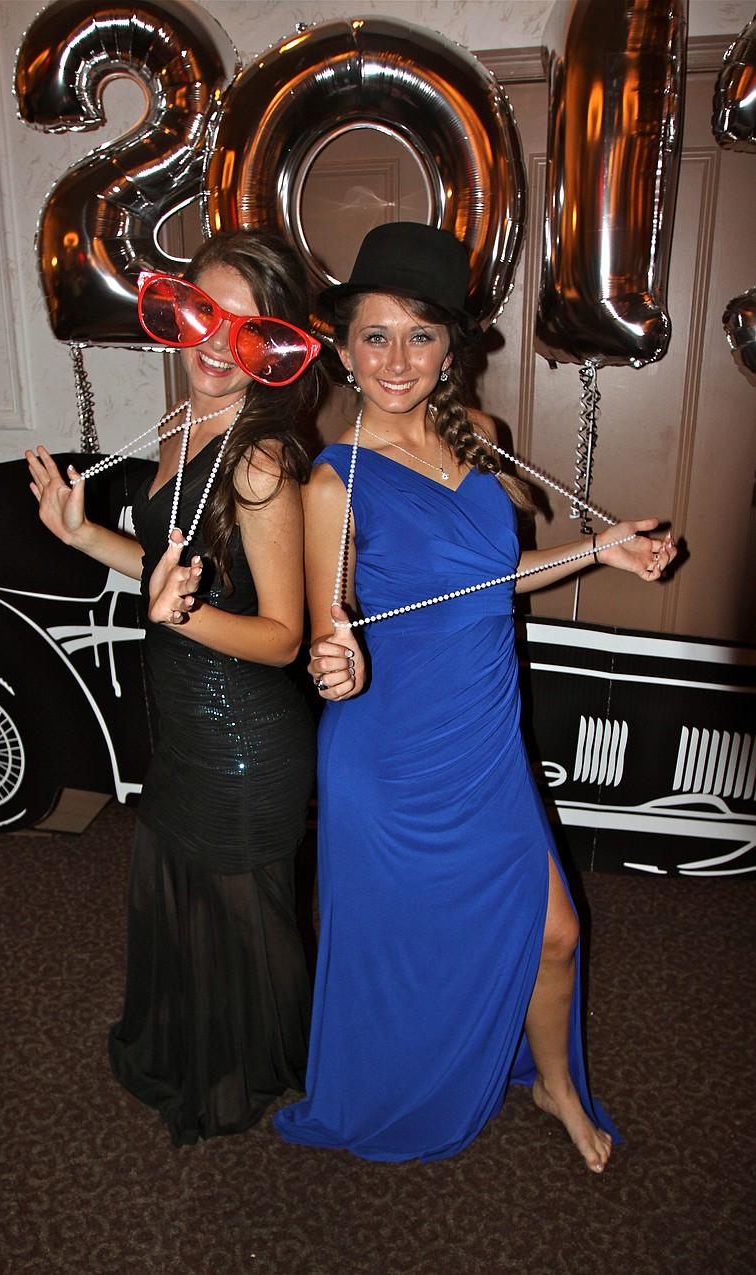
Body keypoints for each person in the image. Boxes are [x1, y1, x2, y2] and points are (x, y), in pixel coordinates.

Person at [273, 221, 678, 1170]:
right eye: (376, 336)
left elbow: (492, 576)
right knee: (399, 946)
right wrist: (336, 663)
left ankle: (555, 1084)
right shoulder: (334, 480)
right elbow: (331, 625)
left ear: (451, 348)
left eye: (421, 334)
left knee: (555, 933)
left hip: (483, 738)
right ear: (342, 351)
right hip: (390, 754)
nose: (397, 360)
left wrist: (602, 549)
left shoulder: (482, 441)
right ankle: (394, 1081)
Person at [26, 230, 323, 1146]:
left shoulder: (261, 460)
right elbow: (165, 566)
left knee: (242, 918)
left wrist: (181, 619)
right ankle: (210, 1052)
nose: (216, 343)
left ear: (272, 348)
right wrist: (83, 536)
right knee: (180, 891)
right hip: (190, 725)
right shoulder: (179, 419)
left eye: (245, 329)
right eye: (204, 314)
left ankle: (270, 1069)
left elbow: (283, 636)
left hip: (246, 740)